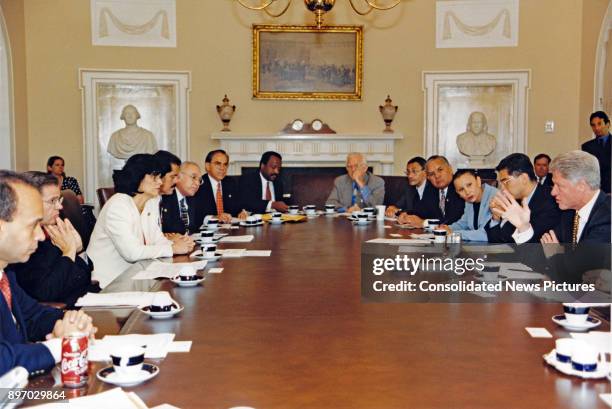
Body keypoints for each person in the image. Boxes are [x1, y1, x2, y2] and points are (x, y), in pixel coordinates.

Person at [0, 171, 96, 376]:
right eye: (32, 225)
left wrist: (71, 322)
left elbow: (33, 315)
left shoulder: (5, 274)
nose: (39, 235)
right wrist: (59, 346)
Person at [86, 154, 194, 288]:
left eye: (160, 177)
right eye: (155, 177)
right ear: (138, 176)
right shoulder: (118, 205)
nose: (160, 182)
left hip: (137, 277)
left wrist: (181, 244)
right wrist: (172, 248)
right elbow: (132, 253)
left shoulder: (149, 203)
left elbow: (157, 239)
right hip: (108, 284)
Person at [10, 172, 100, 307]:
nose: (60, 206)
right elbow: (47, 293)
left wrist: (79, 250)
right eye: (53, 201)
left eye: (60, 200)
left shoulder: (57, 228)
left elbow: (85, 278)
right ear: (31, 202)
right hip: (63, 312)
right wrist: (69, 252)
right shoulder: (24, 243)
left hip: (87, 300)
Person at [506, 151, 611, 244]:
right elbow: (543, 248)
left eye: (559, 186)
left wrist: (557, 255)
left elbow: (587, 264)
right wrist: (523, 226)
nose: (553, 192)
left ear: (581, 186)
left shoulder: (607, 216)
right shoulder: (569, 213)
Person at [485, 153, 561, 243]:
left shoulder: (551, 200)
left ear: (524, 178)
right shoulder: (515, 200)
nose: (502, 188)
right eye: (500, 183)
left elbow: (521, 241)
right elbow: (495, 240)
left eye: (505, 181)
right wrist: (496, 218)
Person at [398, 155, 464, 227]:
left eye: (440, 170)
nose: (437, 176)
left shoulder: (459, 186)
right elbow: (420, 211)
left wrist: (424, 223)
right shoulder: (431, 189)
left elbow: (452, 219)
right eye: (431, 174)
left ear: (450, 169)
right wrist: (406, 215)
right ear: (428, 177)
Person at [440, 169, 498, 242]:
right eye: (461, 189)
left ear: (478, 181)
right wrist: (446, 228)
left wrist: (453, 233)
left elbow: (485, 234)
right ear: (458, 194)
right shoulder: (469, 200)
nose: (467, 192)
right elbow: (464, 223)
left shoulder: (495, 198)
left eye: (469, 185)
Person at [196, 150, 246, 223]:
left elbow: (238, 208)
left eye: (225, 164)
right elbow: (195, 215)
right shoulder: (198, 184)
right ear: (207, 166)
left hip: (230, 229)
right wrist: (215, 217)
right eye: (218, 164)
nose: (222, 168)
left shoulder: (231, 183)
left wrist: (241, 213)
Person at [160, 161, 204, 234]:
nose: (197, 183)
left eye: (200, 180)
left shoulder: (192, 198)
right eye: (193, 177)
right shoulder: (165, 197)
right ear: (179, 176)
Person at [581, 111, 611, 193]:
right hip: (595, 191)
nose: (597, 128)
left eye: (599, 124)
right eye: (593, 125)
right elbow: (586, 171)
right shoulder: (586, 147)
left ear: (608, 124)